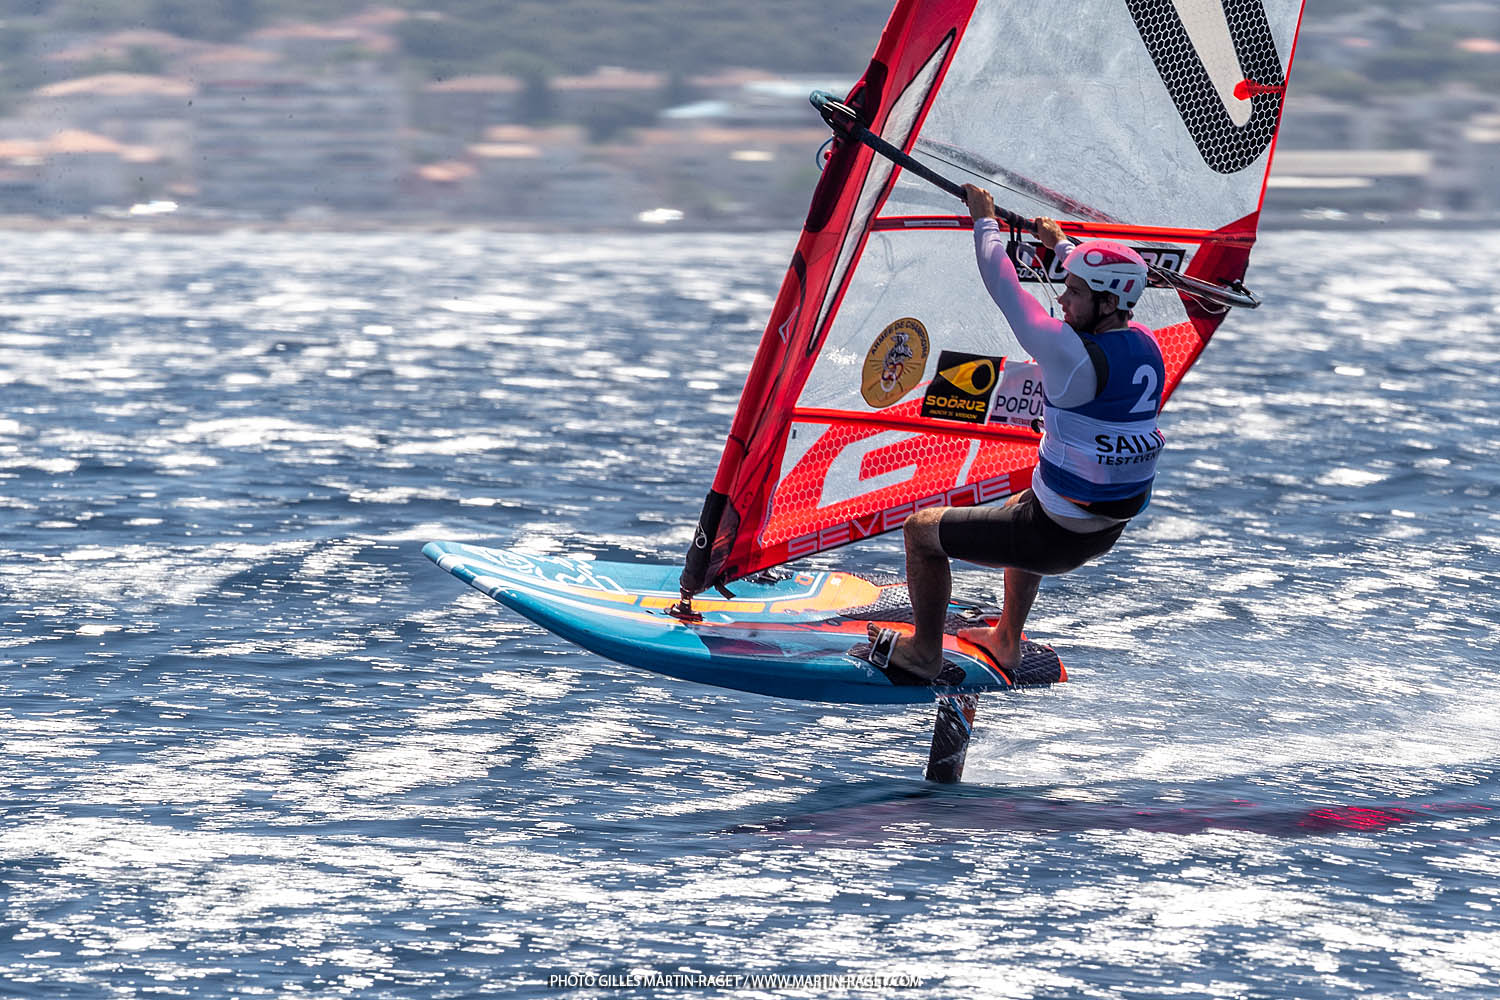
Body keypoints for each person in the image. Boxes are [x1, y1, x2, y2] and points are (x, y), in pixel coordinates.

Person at [864, 183, 1165, 681]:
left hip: (1058, 536)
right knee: (1019, 504)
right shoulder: (1145, 342)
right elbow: (1099, 289)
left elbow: (1002, 285)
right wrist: (1062, 245)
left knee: (921, 532)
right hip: (1104, 527)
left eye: (1073, 293)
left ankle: (923, 653)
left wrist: (985, 221)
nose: (1063, 300)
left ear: (1109, 303)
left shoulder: (1071, 354)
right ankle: (1006, 641)